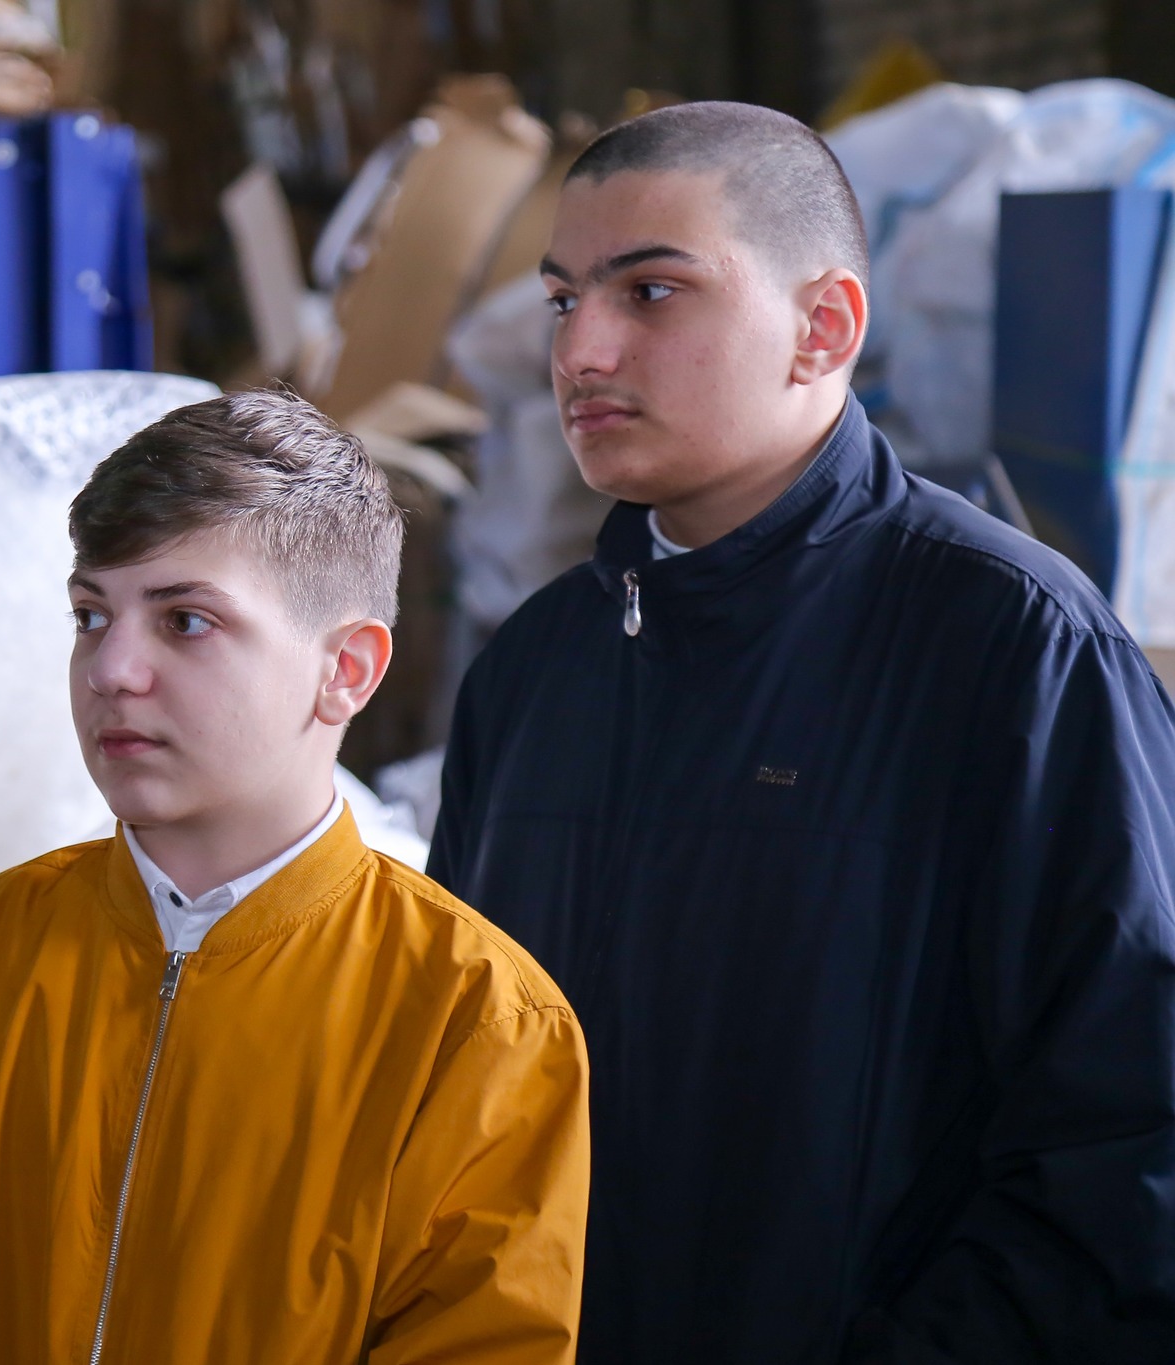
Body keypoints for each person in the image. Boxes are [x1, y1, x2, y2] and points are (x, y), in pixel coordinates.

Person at [429, 99, 1175, 1363]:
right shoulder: (533, 672)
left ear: (821, 326)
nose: (580, 351)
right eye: (561, 300)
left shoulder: (1009, 649)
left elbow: (1129, 1140)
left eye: (649, 292)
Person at [0, 391, 590, 1364]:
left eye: (186, 621)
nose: (111, 669)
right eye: (90, 615)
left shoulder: (478, 1027)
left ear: (347, 669)